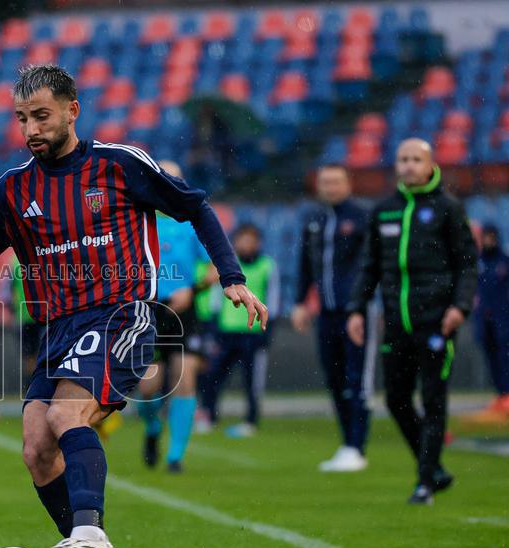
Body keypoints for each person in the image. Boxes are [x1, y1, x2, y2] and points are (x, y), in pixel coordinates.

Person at [0, 64, 267, 548]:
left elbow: (195, 206)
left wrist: (230, 276)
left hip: (124, 313)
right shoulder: (13, 190)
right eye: (21, 119)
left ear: (71, 110)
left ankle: (88, 531)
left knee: (67, 414)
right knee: (37, 448)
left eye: (41, 115)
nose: (31, 129)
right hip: (59, 330)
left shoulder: (119, 164)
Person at [346, 138, 477, 505]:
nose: (407, 166)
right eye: (402, 159)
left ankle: (424, 481)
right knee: (396, 399)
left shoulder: (448, 209)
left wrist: (459, 307)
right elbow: (370, 265)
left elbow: (467, 263)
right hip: (395, 323)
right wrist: (357, 308)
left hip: (437, 322)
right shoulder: (384, 210)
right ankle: (432, 467)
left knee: (434, 400)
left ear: (430, 163)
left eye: (415, 159)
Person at [291, 164, 375, 472]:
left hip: (356, 313)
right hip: (326, 313)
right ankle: (347, 444)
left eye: (336, 181)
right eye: (325, 181)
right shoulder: (314, 219)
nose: (330, 187)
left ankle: (357, 445)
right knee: (335, 379)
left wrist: (363, 305)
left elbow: (372, 264)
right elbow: (305, 263)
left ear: (348, 183)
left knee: (358, 380)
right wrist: (300, 302)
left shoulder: (362, 217)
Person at [135, 159, 216, 472]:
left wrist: (192, 291)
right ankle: (153, 428)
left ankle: (175, 456)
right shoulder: (139, 220)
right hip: (149, 310)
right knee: (147, 388)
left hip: (184, 311)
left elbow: (215, 267)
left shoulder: (190, 222)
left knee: (184, 379)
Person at [198, 224, 279, 438]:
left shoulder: (267, 266)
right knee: (213, 377)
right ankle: (209, 417)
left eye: (250, 240)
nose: (246, 244)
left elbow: (273, 299)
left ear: (258, 243)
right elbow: (216, 299)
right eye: (242, 240)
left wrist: (267, 332)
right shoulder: (226, 267)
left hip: (252, 334)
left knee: (252, 381)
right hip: (226, 333)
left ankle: (251, 421)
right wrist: (214, 328)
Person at [471, 225, 509, 417]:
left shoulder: (504, 261)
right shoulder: (478, 262)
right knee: (492, 357)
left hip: (503, 318)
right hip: (485, 320)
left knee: (505, 358)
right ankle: (501, 394)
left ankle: (507, 394)